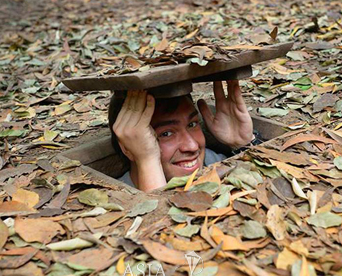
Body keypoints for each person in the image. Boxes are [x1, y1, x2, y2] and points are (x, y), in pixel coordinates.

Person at [108, 80, 254, 192]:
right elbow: (160, 225)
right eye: (166, 133)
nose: (192, 146)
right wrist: (147, 161)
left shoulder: (210, 161)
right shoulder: (115, 199)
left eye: (192, 124)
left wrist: (243, 144)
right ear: (128, 147)